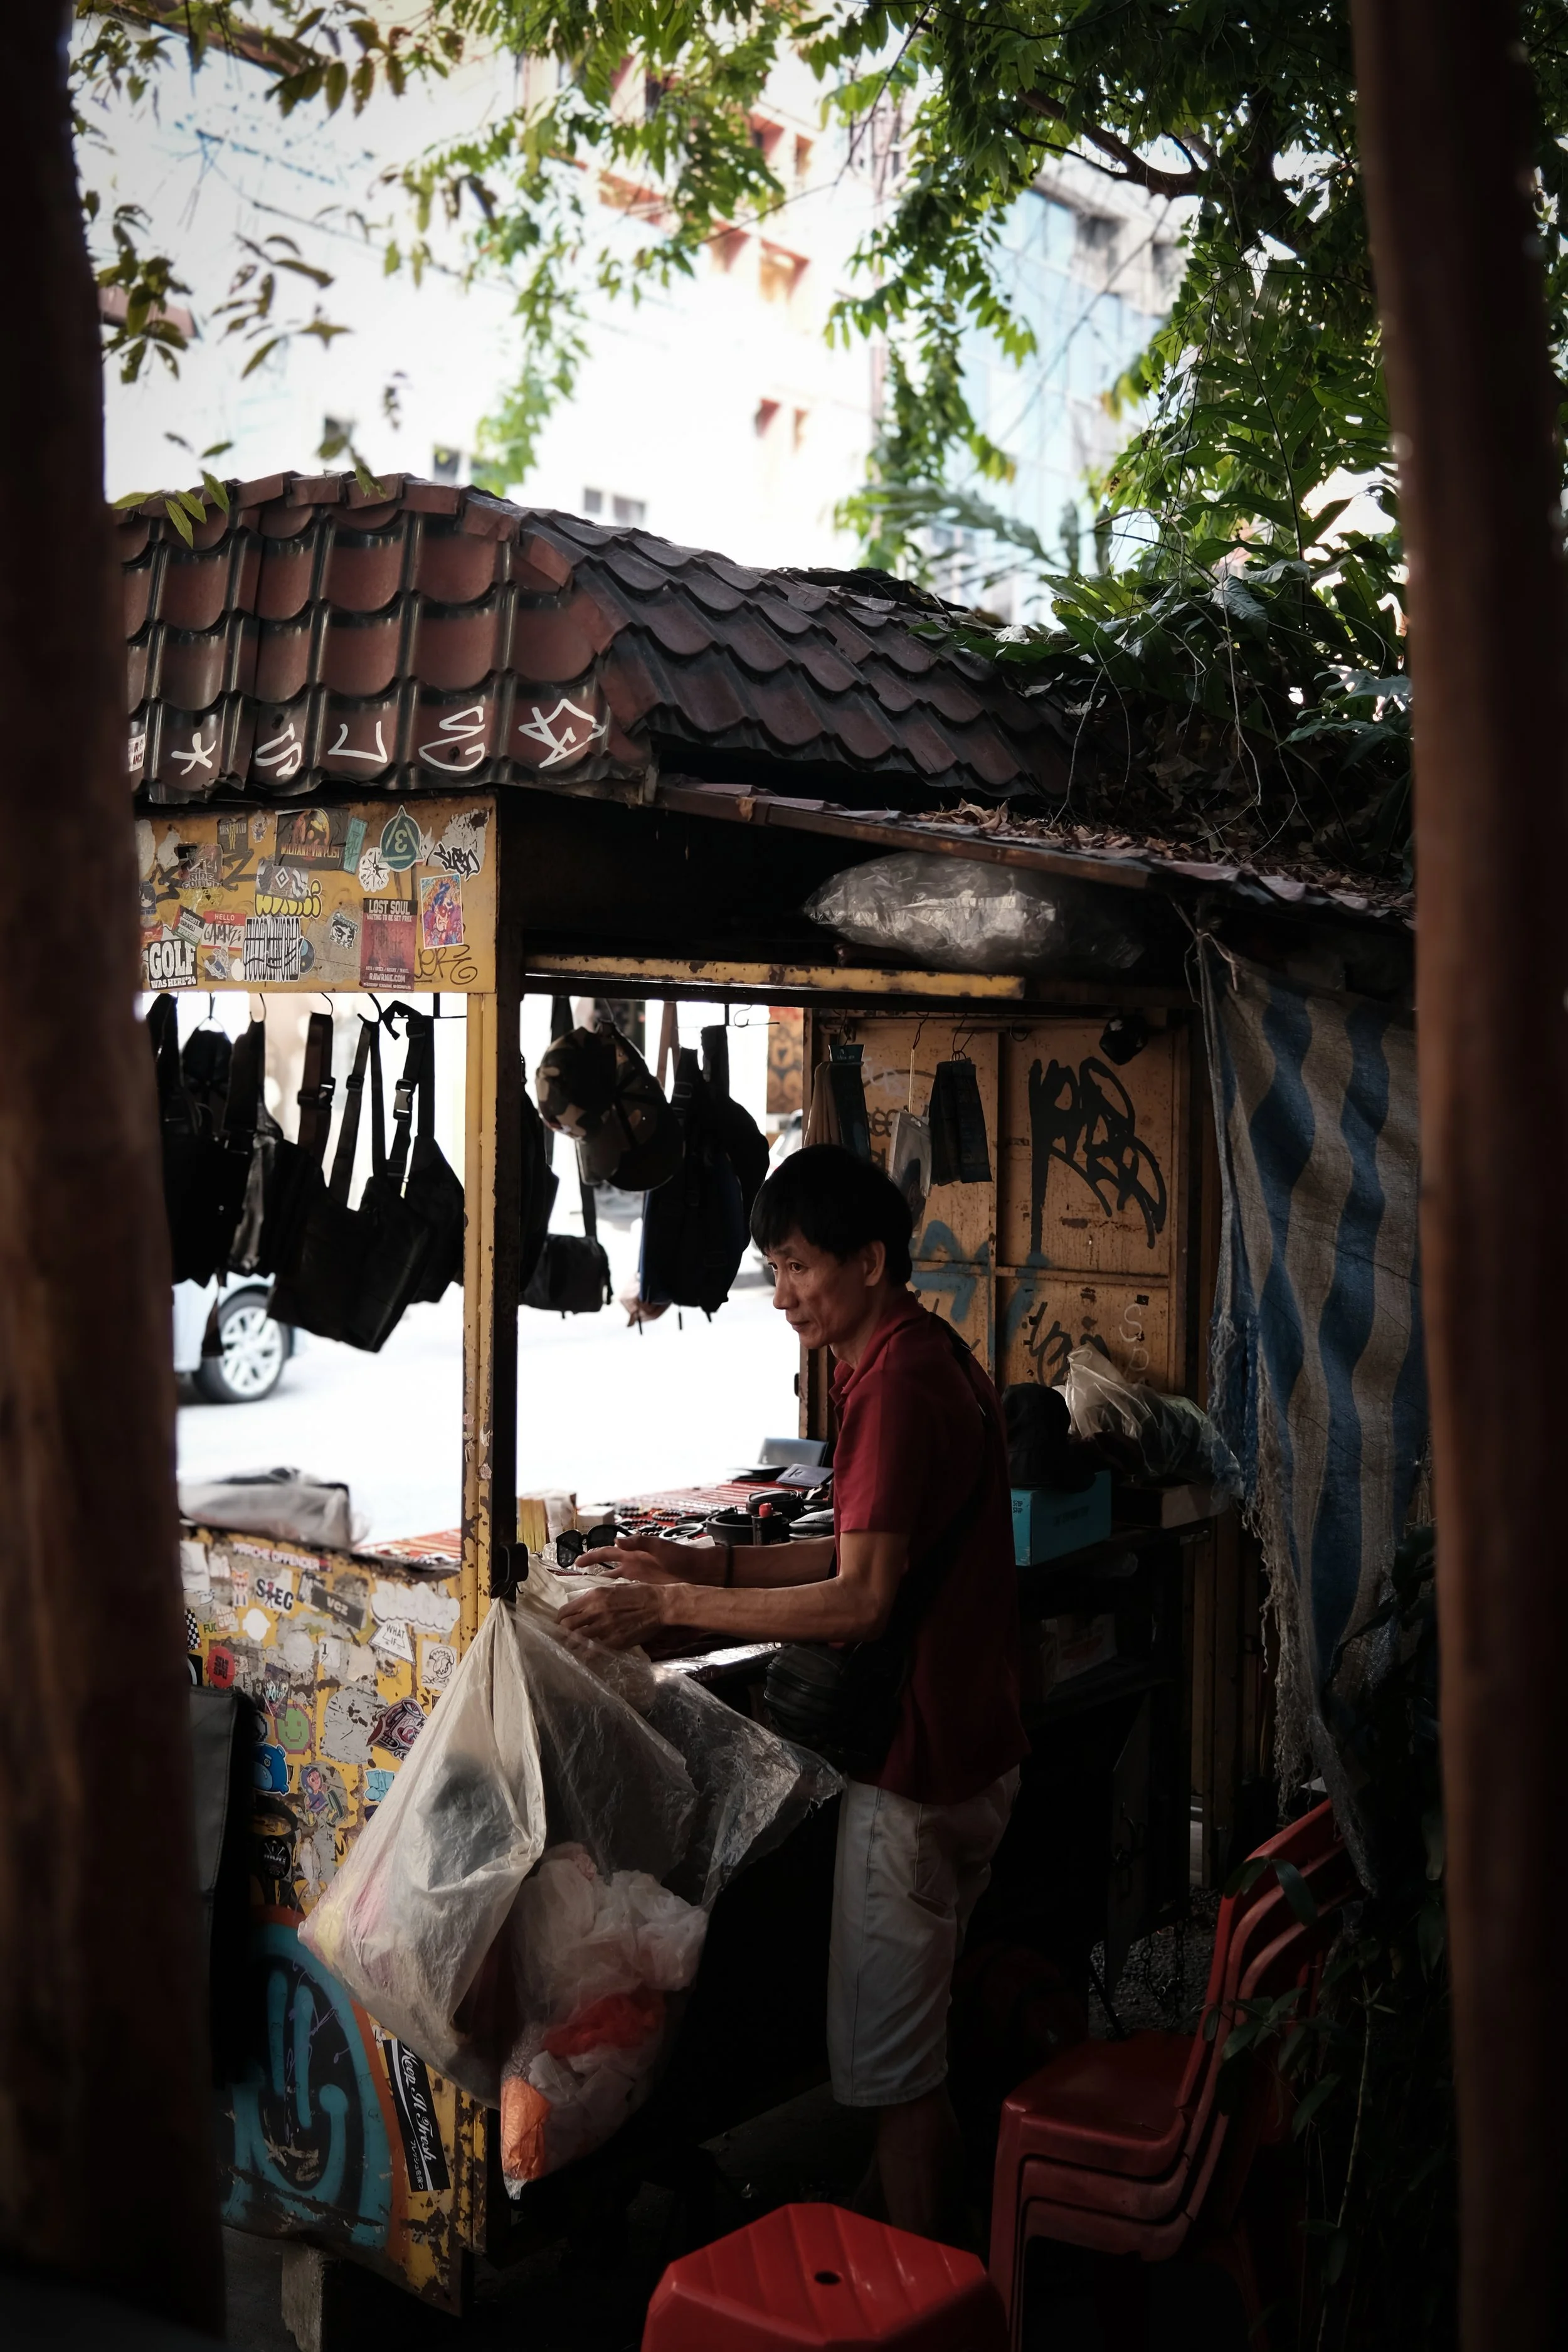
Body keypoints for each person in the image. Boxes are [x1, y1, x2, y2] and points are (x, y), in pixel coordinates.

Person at [559, 1144, 1027, 2243]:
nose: (786, 1295)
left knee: (895, 2082)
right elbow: (858, 1556)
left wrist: (667, 1611)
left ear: (871, 1260)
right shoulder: (924, 1357)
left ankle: (939, 2307)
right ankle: (888, 2243)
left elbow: (860, 1600)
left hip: (913, 1773)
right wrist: (693, 1574)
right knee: (912, 2046)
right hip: (972, 1751)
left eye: (802, 1266)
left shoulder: (898, 1384)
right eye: (774, 1269)